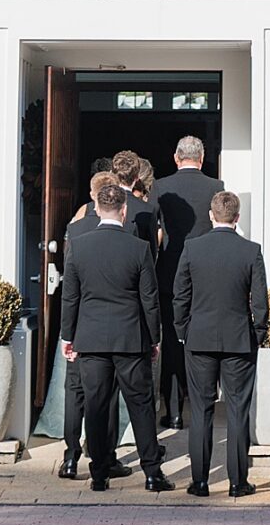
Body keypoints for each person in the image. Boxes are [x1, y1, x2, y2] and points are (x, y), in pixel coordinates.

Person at [60, 181, 172, 493]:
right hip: (130, 339)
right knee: (141, 406)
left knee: (96, 406)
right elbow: (149, 300)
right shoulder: (139, 248)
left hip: (92, 338)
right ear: (124, 211)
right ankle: (152, 473)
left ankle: (99, 474)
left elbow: (71, 298)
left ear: (96, 209)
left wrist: (67, 336)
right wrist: (154, 338)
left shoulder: (79, 247)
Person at [39, 168, 135, 478]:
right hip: (107, 328)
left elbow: (70, 290)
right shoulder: (124, 229)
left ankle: (70, 456)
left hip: (80, 324)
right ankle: (102, 454)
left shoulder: (76, 230)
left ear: (93, 196)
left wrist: (67, 334)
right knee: (105, 394)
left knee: (75, 391)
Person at [173, 188, 268, 498]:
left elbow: (180, 295)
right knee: (238, 410)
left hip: (199, 337)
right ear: (237, 218)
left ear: (211, 215)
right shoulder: (250, 250)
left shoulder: (192, 248)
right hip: (239, 339)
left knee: (201, 410)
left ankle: (200, 481)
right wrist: (258, 334)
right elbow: (260, 302)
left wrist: (182, 329)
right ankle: (238, 482)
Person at [151, 134, 224, 423]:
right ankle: (201, 406)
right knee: (200, 342)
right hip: (205, 275)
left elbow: (150, 230)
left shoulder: (161, 186)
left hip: (170, 273)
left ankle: (174, 413)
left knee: (170, 343)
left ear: (176, 158)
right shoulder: (216, 186)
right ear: (202, 159)